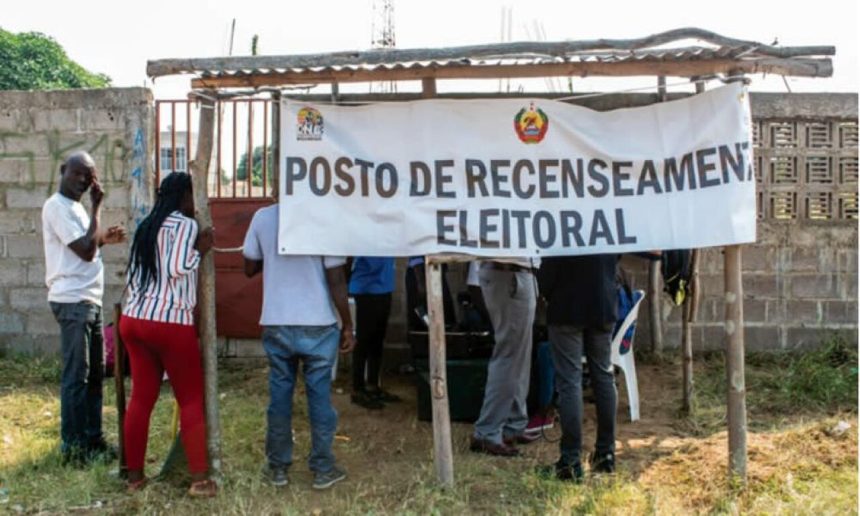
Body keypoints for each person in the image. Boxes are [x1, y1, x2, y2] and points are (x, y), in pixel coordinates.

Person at [243, 203, 356, 490]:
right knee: (320, 398)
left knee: (280, 395)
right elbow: (336, 278)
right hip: (317, 323)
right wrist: (348, 324)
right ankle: (322, 468)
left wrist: (275, 252)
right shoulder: (325, 216)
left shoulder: (263, 217)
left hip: (277, 320)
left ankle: (277, 468)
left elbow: (249, 266)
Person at [118, 171, 216, 496]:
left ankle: (135, 478)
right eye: (193, 196)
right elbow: (177, 267)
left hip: (134, 319)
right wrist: (200, 249)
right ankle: (200, 480)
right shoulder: (185, 225)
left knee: (141, 399)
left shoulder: (147, 225)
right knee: (190, 398)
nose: (195, 204)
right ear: (184, 196)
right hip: (169, 321)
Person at [41, 151, 127, 466]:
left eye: (88, 177)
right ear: (63, 171)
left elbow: (88, 244)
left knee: (94, 375)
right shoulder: (56, 207)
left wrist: (102, 239)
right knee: (76, 376)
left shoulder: (75, 209)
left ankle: (93, 441)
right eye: (77, 174)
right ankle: (73, 448)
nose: (82, 181)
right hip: (72, 300)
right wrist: (98, 207)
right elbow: (85, 252)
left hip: (89, 298)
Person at [538, 254, 620, 482]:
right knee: (604, 376)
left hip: (567, 306)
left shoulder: (563, 218)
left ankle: (571, 461)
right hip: (602, 302)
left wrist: (548, 291)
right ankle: (606, 454)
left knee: (569, 382)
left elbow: (547, 272)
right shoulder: (606, 219)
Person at [470, 257, 540, 457]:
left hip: (512, 273)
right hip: (509, 273)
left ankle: (513, 423)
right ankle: (487, 431)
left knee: (518, 355)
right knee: (509, 356)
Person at [348, 256, 400, 410]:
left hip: (383, 288)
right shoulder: (368, 237)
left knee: (377, 340)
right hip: (366, 290)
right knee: (364, 340)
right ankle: (357, 388)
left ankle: (373, 385)